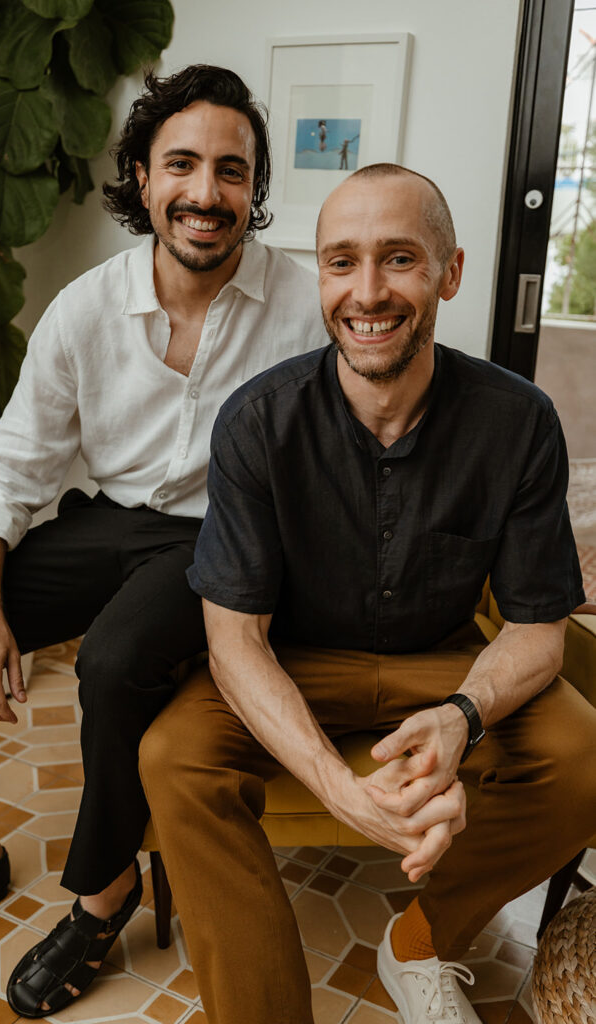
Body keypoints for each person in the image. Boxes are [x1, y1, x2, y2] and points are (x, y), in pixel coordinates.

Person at [138, 163, 596, 1024]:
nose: (367, 291)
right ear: (320, 276)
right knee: (172, 757)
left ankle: (422, 939)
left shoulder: (519, 420)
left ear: (448, 273)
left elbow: (535, 632)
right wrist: (338, 789)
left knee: (585, 753)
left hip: (442, 664)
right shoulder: (255, 421)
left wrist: (462, 716)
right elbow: (234, 641)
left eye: (398, 259)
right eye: (341, 262)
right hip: (294, 663)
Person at [0, 65, 327, 1017]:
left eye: (232, 170)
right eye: (181, 164)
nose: (205, 192)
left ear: (254, 189)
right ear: (141, 177)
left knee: (116, 659)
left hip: (226, 537)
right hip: (107, 522)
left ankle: (103, 894)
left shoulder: (304, 310)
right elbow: (12, 469)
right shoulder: (84, 309)